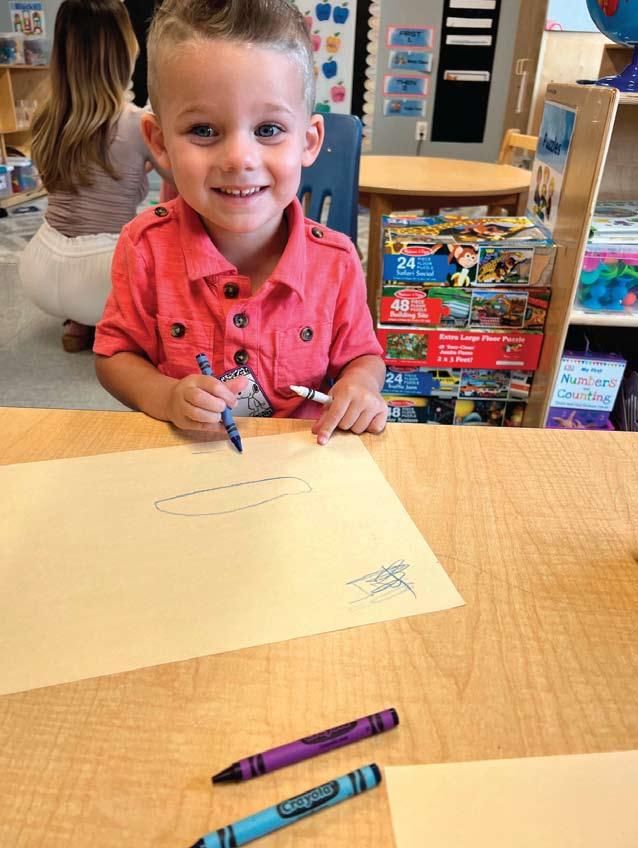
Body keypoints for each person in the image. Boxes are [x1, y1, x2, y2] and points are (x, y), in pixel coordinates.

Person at [94, 0, 387, 445]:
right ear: (159, 142)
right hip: (188, 461)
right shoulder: (144, 245)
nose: (239, 159)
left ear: (308, 142)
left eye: (268, 130)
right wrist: (166, 396)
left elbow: (364, 357)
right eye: (204, 130)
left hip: (304, 460)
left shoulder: (337, 260)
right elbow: (114, 355)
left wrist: (360, 386)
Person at [19, 0, 169, 352]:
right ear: (126, 50)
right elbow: (180, 180)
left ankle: (79, 323)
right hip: (102, 277)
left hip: (40, 269)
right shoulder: (137, 123)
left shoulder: (46, 118)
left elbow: (89, 170)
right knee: (161, 236)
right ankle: (106, 320)